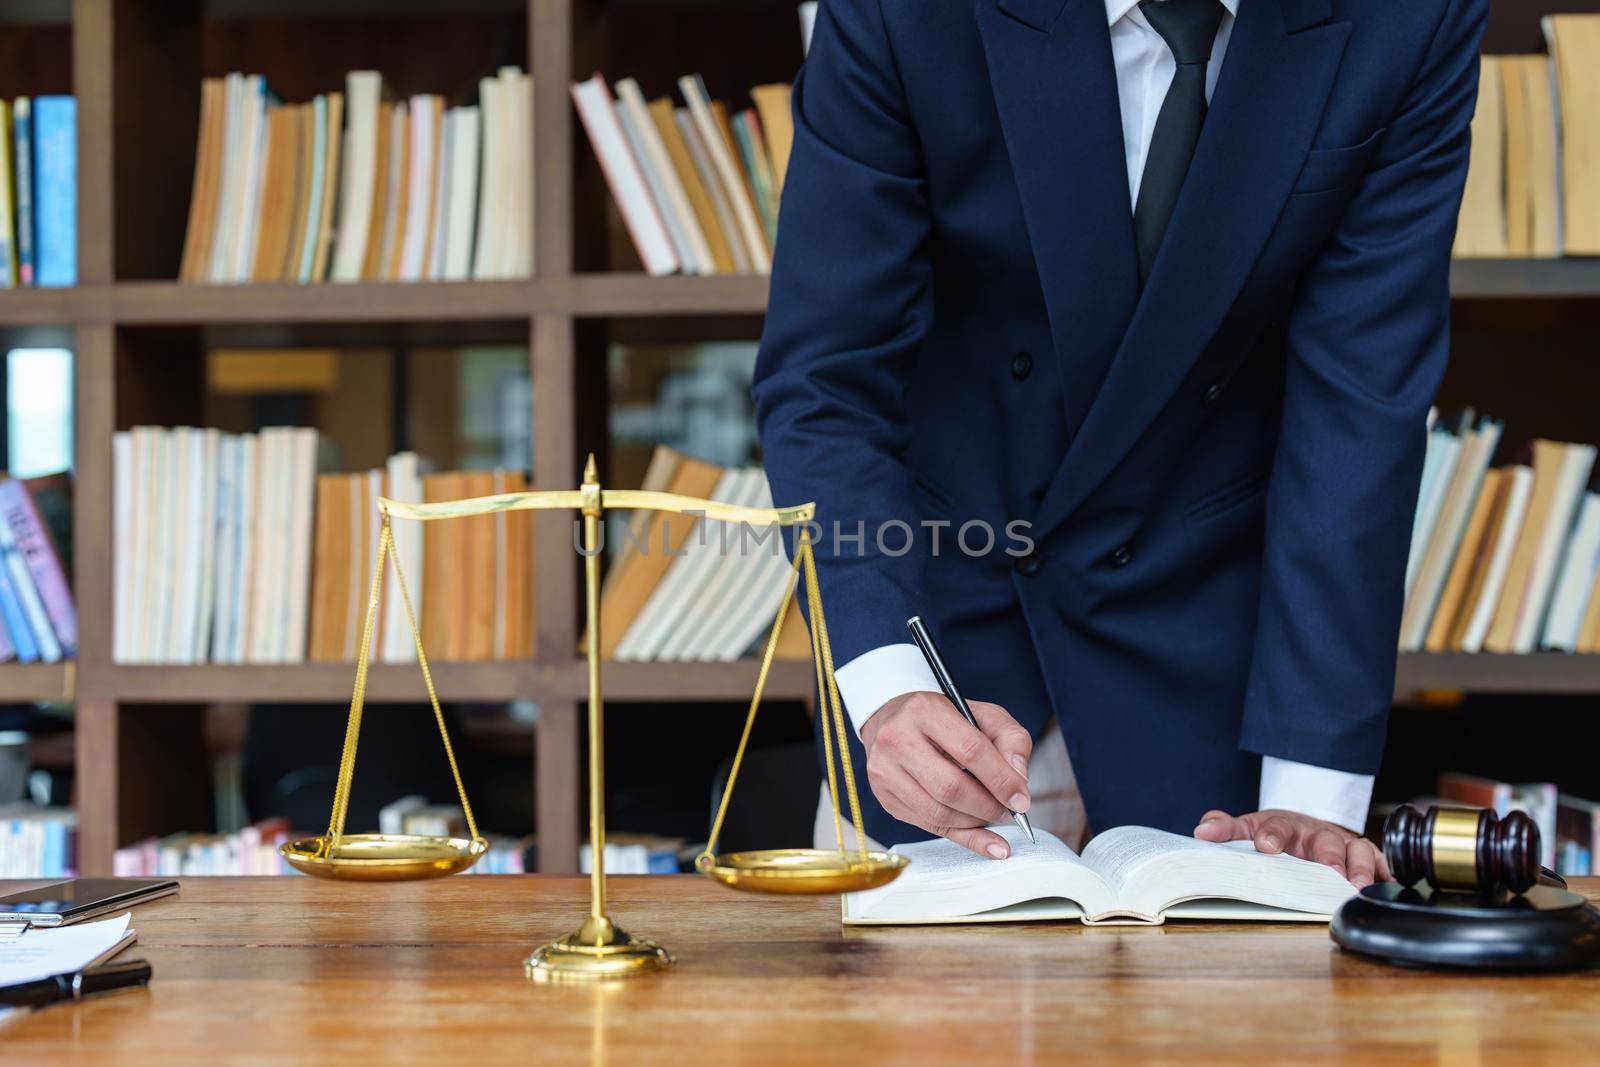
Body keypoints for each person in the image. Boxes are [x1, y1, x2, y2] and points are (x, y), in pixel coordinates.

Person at [752, 0, 1487, 888]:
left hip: (1213, 657)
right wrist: (883, 685)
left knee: (1236, 1022)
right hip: (939, 643)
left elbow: (1359, 404)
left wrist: (1312, 797)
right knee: (895, 1023)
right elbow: (825, 379)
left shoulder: (1407, 19)